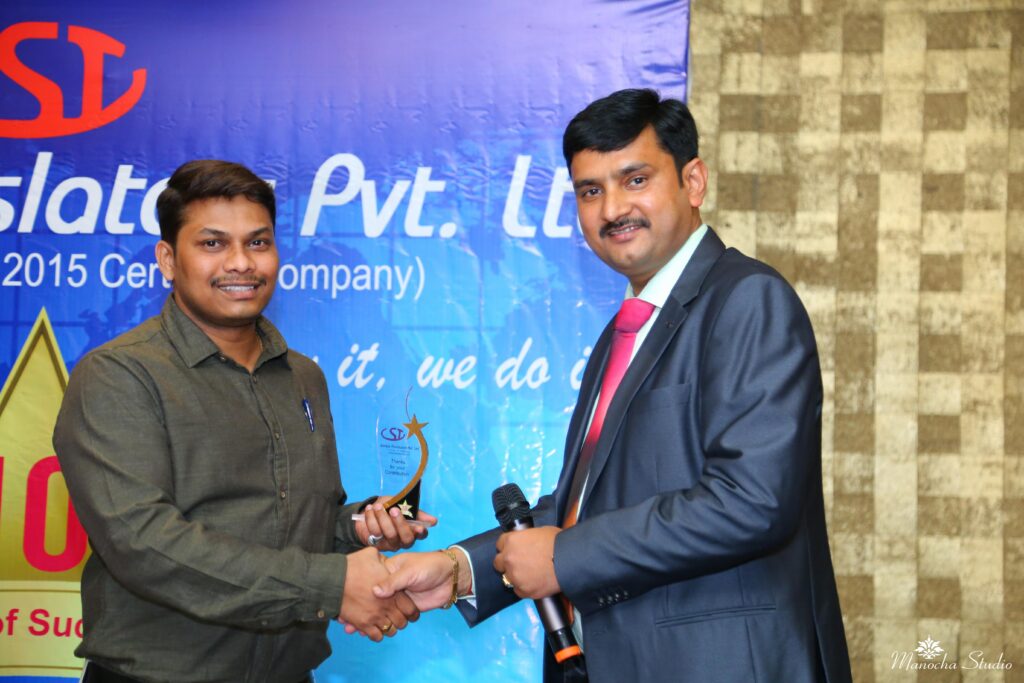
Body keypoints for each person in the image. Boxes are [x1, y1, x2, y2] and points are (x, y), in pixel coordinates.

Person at [373, 89, 853, 682]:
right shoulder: (625, 331)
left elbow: (752, 501)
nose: (612, 209)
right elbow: (589, 505)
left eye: (635, 180)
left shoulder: (746, 300)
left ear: (693, 182)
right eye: (590, 191)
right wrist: (459, 571)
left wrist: (564, 557)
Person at [53, 160, 434, 683]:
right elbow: (142, 543)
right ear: (167, 259)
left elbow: (295, 523)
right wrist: (331, 584)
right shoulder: (120, 375)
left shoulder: (302, 377)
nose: (240, 263)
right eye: (212, 243)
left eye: (258, 243)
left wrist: (358, 528)